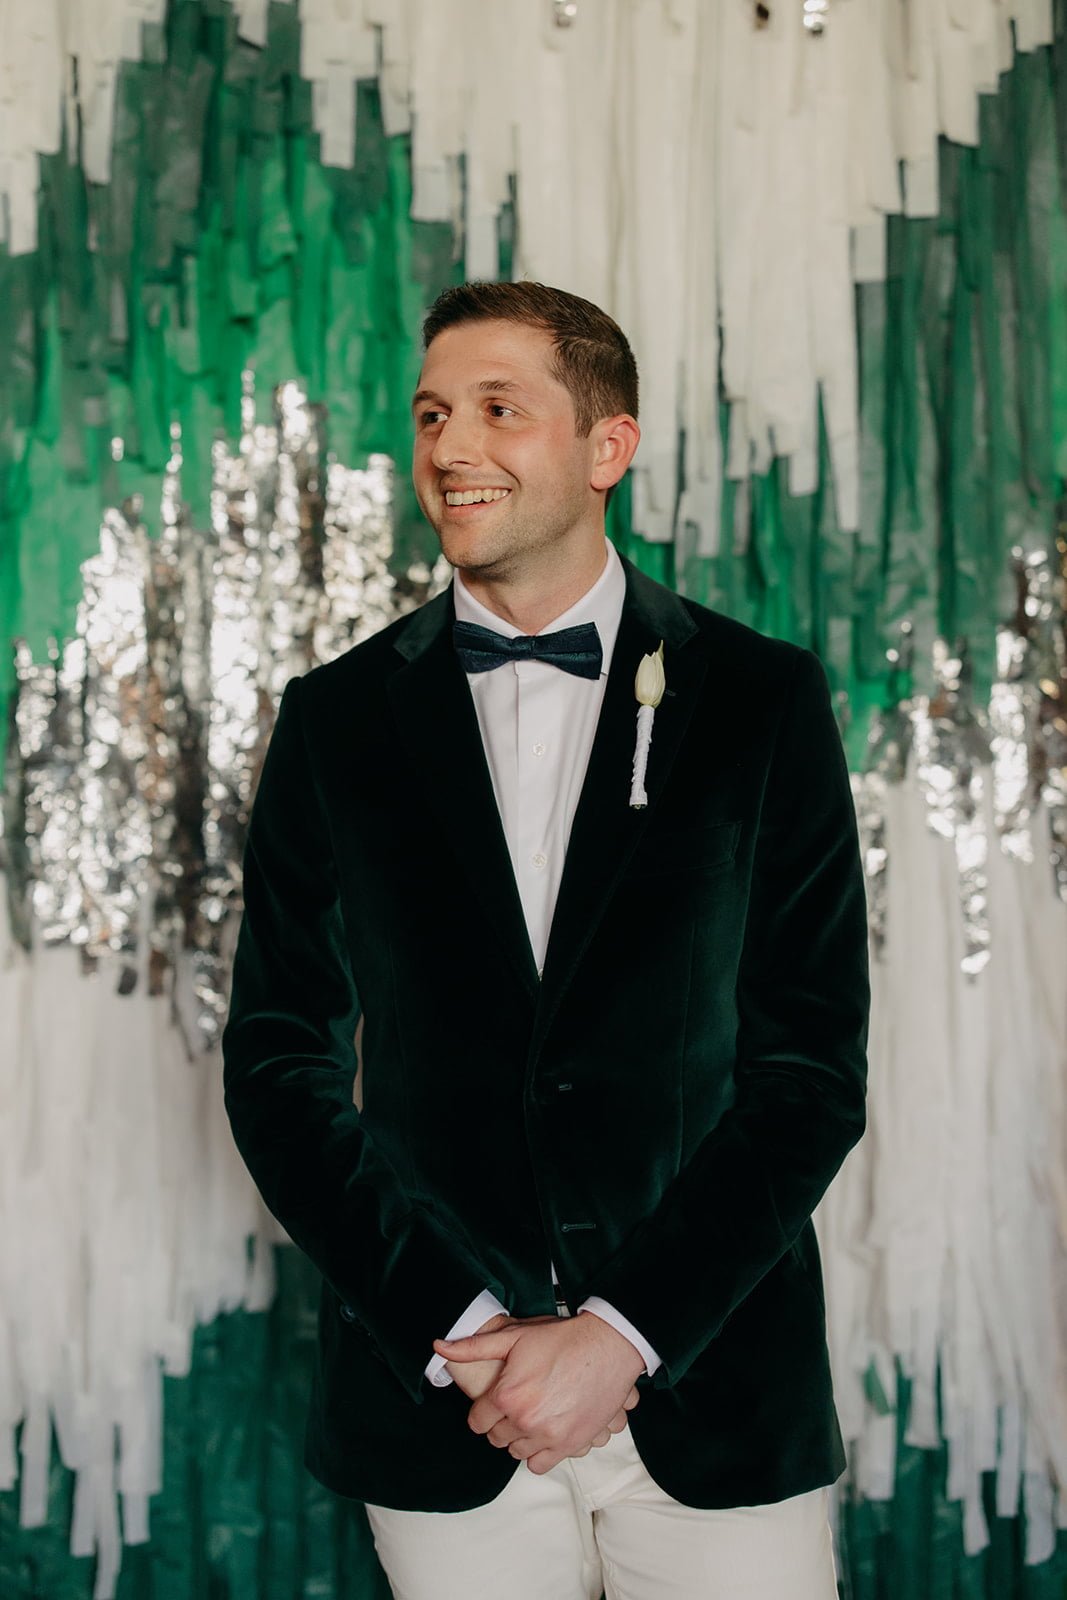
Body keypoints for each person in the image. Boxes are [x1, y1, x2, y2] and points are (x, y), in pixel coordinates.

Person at [221, 279, 870, 1600]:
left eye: (499, 409)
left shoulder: (763, 700)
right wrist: (460, 1328)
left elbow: (810, 1075)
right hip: (445, 1395)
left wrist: (624, 1335)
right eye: (431, 415)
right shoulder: (335, 720)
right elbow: (279, 1073)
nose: (452, 447)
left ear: (607, 446)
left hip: (713, 1383)